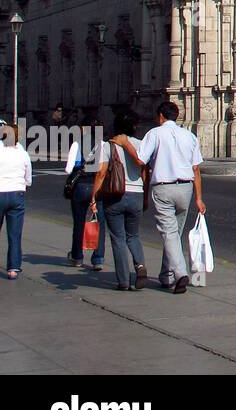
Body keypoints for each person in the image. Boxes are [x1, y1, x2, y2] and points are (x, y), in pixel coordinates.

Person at [115, 101, 205, 294]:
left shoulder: (154, 134)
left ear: (161, 116)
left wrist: (125, 144)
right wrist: (199, 198)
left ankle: (180, 274)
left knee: (169, 233)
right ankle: (167, 275)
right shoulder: (189, 136)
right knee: (173, 233)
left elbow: (140, 159)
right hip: (186, 188)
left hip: (164, 188)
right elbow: (195, 169)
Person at [91, 110, 148, 291]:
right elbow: (145, 172)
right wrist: (145, 196)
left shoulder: (108, 146)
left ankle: (123, 281)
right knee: (134, 235)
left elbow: (101, 173)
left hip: (114, 196)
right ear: (134, 126)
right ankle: (140, 265)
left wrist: (94, 197)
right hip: (137, 194)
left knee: (118, 238)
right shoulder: (141, 145)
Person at [64, 113, 105, 271]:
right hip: (97, 185)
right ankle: (98, 258)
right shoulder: (103, 144)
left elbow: (68, 169)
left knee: (79, 222)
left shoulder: (77, 144)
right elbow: (103, 168)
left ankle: (77, 256)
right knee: (98, 222)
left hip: (80, 186)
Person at [0, 123, 32, 279]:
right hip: (17, 194)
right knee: (14, 234)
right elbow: (28, 179)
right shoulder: (23, 153)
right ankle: (13, 268)